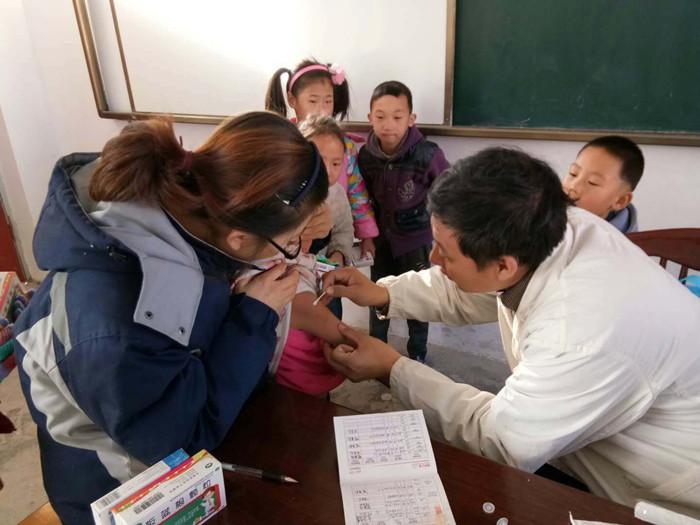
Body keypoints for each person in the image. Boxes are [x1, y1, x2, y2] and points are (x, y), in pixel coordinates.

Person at [322, 147, 700, 517]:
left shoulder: (578, 335)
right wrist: (385, 293)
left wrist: (392, 368)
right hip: (592, 425)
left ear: (504, 265)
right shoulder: (550, 224)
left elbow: (500, 439)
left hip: (666, 483)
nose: (434, 260)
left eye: (445, 253)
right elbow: (478, 284)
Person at [13, 112, 331, 524]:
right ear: (238, 238)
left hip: (153, 421)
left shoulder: (185, 206)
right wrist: (253, 315)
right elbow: (180, 438)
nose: (294, 250)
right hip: (120, 490)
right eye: (290, 242)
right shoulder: (121, 325)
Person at [358, 80, 449, 362]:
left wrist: (444, 237)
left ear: (411, 119)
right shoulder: (365, 156)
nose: (389, 125)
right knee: (376, 294)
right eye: (380, 116)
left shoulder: (428, 154)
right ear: (370, 118)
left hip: (416, 241)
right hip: (381, 241)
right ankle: (377, 350)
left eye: (397, 117)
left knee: (418, 299)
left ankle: (417, 353)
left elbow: (448, 194)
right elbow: (360, 199)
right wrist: (367, 236)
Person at [265, 58, 379, 256]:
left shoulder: (346, 146)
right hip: (287, 244)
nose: (322, 109)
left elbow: (356, 191)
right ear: (292, 100)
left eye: (328, 101)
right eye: (313, 101)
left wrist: (367, 235)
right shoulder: (283, 144)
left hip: (333, 240)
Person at [563, 135, 644, 233]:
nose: (573, 186)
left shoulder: (620, 241)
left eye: (592, 182)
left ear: (620, 201)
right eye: (573, 173)